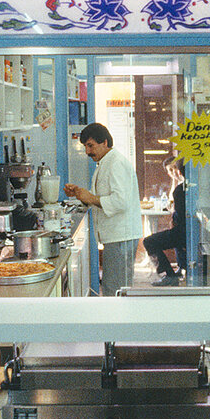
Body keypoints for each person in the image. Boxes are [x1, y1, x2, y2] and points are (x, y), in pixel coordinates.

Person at [64, 123, 141, 296]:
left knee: (115, 290)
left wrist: (90, 197)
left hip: (121, 236)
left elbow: (121, 201)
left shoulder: (116, 163)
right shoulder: (106, 162)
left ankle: (117, 322)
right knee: (113, 287)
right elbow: (105, 196)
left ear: (104, 142)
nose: (87, 152)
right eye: (85, 147)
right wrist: (80, 194)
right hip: (115, 236)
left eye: (90, 146)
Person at [142, 157, 189, 286]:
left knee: (149, 241)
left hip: (183, 233)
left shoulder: (180, 190)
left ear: (179, 172)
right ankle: (179, 269)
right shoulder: (195, 189)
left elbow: (178, 218)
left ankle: (168, 275)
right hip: (192, 232)